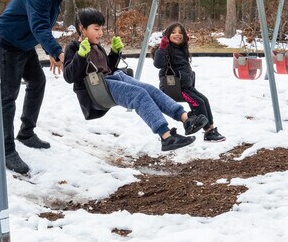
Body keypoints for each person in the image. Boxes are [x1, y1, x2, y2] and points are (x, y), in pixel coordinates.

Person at [63, 8, 208, 151]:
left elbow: (108, 68)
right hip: (97, 88)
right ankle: (166, 136)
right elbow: (69, 76)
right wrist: (80, 55)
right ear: (82, 28)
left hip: (112, 78)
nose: (100, 33)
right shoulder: (74, 47)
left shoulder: (96, 46)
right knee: (139, 95)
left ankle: (185, 118)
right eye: (96, 29)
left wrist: (114, 53)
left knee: (149, 89)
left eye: (101, 29)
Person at [0, 0, 84, 174]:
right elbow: (39, 27)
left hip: (24, 44)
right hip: (8, 42)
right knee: (8, 96)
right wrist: (56, 51)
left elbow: (39, 25)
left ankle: (26, 132)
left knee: (37, 81)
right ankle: (6, 150)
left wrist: (49, 50)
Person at [153, 22, 226, 142]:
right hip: (174, 88)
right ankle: (204, 129)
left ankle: (211, 129)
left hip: (186, 86)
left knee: (204, 100)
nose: (177, 35)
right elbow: (158, 64)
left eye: (180, 33)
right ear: (167, 35)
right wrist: (162, 46)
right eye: (173, 32)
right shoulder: (166, 49)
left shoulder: (181, 49)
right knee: (198, 103)